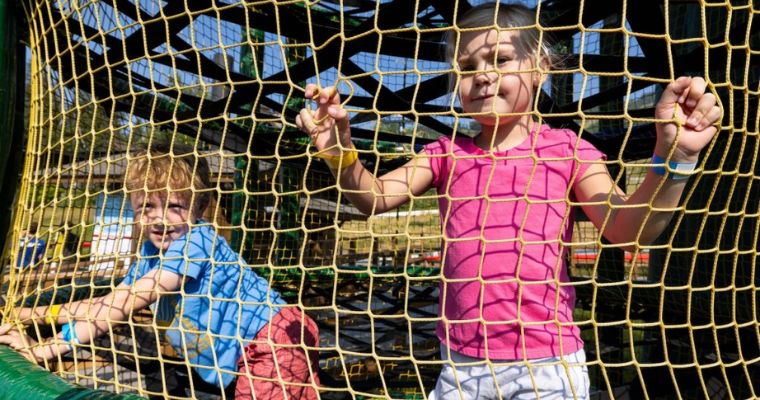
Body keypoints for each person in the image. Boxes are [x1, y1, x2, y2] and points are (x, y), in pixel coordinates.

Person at [295, 3, 721, 399]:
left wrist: (674, 159)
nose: (482, 75)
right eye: (467, 67)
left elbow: (630, 229)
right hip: (462, 363)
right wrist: (340, 152)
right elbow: (374, 197)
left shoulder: (568, 150)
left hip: (548, 363)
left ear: (540, 69)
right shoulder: (446, 153)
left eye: (499, 59)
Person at [0, 144, 320, 399]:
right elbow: (109, 301)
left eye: (175, 206)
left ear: (200, 207)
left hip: (276, 339)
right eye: (146, 207)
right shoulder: (151, 254)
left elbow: (123, 304)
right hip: (250, 348)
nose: (159, 219)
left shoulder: (198, 241)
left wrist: (46, 348)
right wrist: (30, 313)